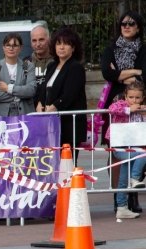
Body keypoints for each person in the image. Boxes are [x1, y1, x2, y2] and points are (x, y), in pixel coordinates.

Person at [37, 28, 87, 163]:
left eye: (66, 44)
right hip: (51, 122)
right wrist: (40, 104)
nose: (62, 47)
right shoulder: (52, 66)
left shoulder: (76, 67)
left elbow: (69, 95)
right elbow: (44, 89)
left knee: (67, 162)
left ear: (73, 47)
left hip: (68, 124)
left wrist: (53, 107)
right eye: (58, 43)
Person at [101, 11, 146, 145]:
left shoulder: (144, 50)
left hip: (140, 103)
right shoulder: (110, 49)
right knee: (115, 148)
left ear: (138, 28)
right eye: (123, 23)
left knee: (140, 145)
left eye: (131, 23)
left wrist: (119, 76)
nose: (127, 26)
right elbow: (107, 73)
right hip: (116, 102)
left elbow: (145, 76)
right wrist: (135, 71)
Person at [105, 81, 146, 219]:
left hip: (134, 146)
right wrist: (129, 109)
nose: (134, 100)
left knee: (123, 178)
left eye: (137, 98)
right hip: (119, 146)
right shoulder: (121, 104)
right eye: (131, 97)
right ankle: (135, 178)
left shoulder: (142, 109)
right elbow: (111, 109)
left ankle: (121, 207)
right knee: (142, 154)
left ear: (142, 98)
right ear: (125, 96)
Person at [0, 33, 37, 116]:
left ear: (21, 47)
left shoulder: (29, 66)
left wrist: (8, 88)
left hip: (24, 115)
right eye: (8, 45)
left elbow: (31, 90)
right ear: (3, 47)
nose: (11, 48)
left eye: (15, 45)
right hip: (1, 117)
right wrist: (20, 96)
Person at [25, 25, 53, 106]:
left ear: (49, 40)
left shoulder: (57, 61)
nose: (38, 44)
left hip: (51, 110)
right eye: (34, 40)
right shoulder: (25, 62)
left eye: (41, 40)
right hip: (30, 110)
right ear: (31, 43)